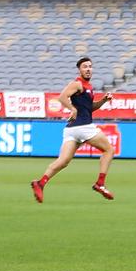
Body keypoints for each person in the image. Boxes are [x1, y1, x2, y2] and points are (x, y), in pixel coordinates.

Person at [31, 57, 116, 203]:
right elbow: (62, 97)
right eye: (85, 67)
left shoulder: (88, 87)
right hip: (84, 127)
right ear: (79, 69)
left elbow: (90, 109)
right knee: (109, 150)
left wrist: (103, 100)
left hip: (72, 130)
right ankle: (100, 183)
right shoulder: (77, 84)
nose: (88, 69)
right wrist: (72, 109)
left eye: (90, 66)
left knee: (63, 161)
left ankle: (40, 183)